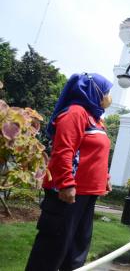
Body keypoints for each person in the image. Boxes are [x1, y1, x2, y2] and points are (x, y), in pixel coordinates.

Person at [26, 73, 113, 271]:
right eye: (106, 91)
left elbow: (97, 154)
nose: (108, 96)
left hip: (86, 195)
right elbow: (63, 151)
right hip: (68, 195)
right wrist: (66, 184)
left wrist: (105, 177)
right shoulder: (75, 113)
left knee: (75, 252)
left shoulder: (96, 119)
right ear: (94, 91)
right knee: (50, 252)